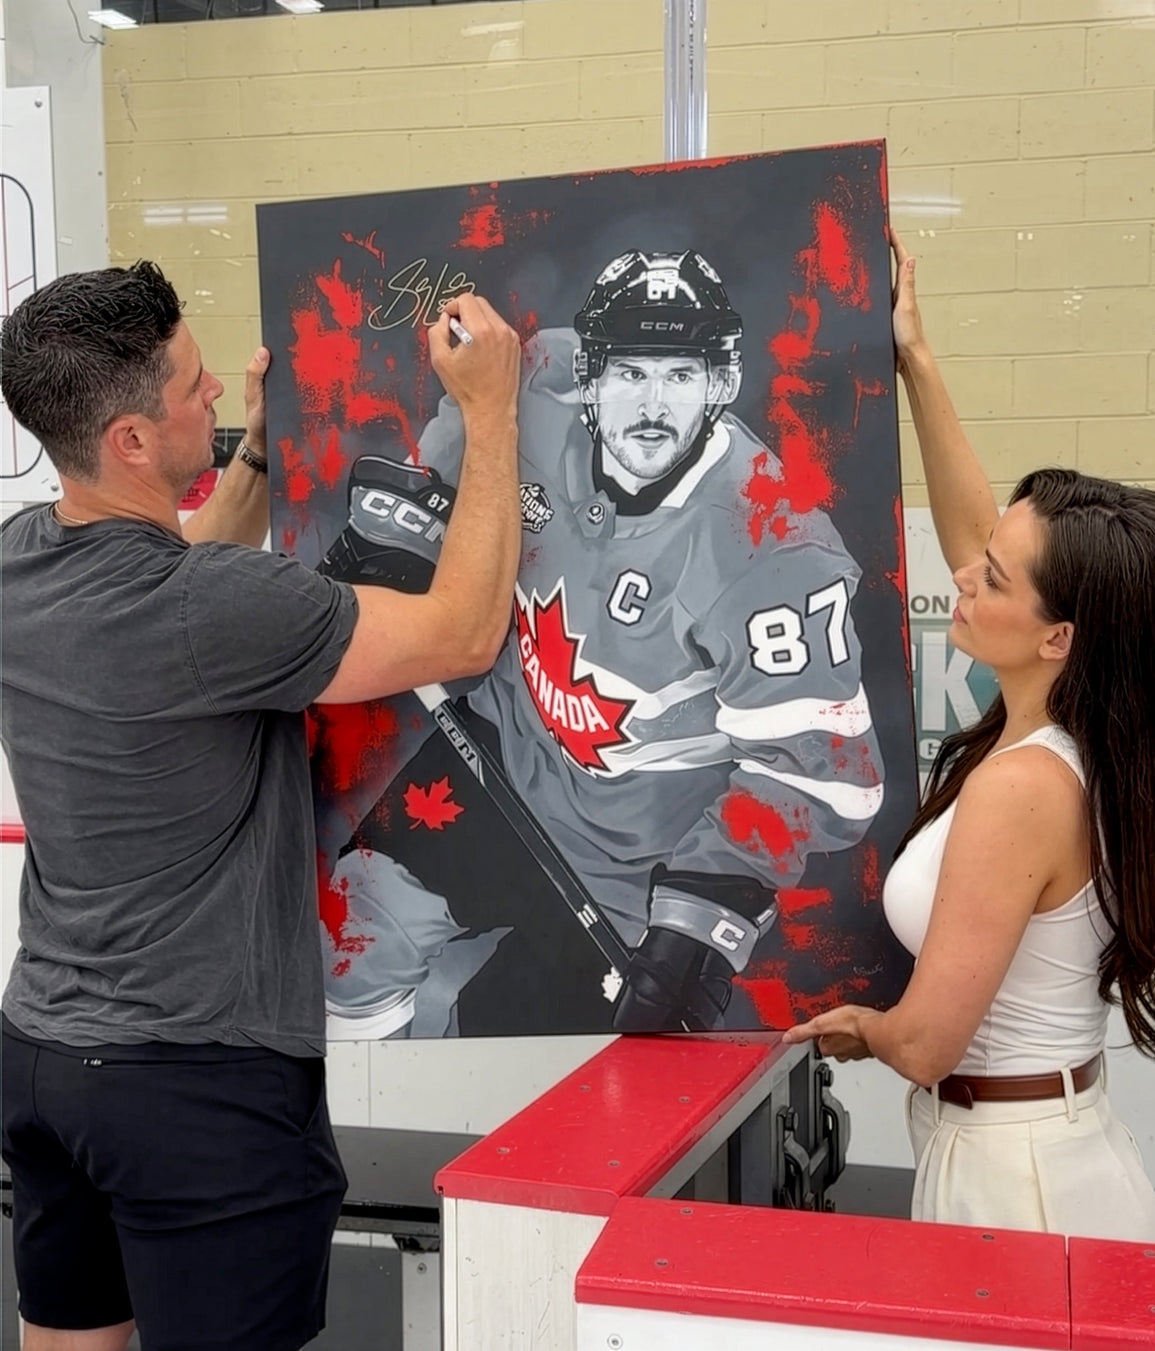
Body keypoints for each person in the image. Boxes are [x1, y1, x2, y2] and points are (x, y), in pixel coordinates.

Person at [0, 261, 521, 1351]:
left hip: (44, 1057)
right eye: (193, 387)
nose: (216, 395)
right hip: (201, 1088)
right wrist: (490, 409)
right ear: (133, 442)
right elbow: (465, 630)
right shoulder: (223, 609)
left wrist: (247, 457)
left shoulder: (21, 564)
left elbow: (162, 571)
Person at [316, 248, 886, 1038]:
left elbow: (829, 781)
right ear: (587, 375)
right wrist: (411, 540)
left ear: (721, 385)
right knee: (349, 947)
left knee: (516, 1046)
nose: (651, 404)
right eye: (629, 374)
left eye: (680, 376)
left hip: (634, 860)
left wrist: (704, 916)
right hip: (504, 760)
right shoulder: (527, 380)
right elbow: (450, 492)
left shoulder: (773, 543)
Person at [784, 230, 1155, 1242]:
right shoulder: (1082, 736)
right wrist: (914, 358)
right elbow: (983, 532)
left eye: (993, 579)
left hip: (1015, 1187)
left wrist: (861, 1030)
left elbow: (929, 1041)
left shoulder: (1022, 786)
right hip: (1040, 1152)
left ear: (1058, 637)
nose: (963, 576)